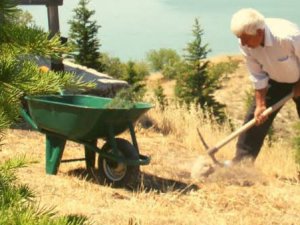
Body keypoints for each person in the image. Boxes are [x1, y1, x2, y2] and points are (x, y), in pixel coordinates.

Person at [230, 8, 300, 163]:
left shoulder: (288, 37)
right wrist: (260, 104)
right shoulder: (245, 41)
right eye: (239, 38)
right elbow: (257, 74)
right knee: (255, 120)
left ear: (260, 32)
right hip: (275, 80)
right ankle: (241, 165)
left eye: (246, 39)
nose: (242, 43)